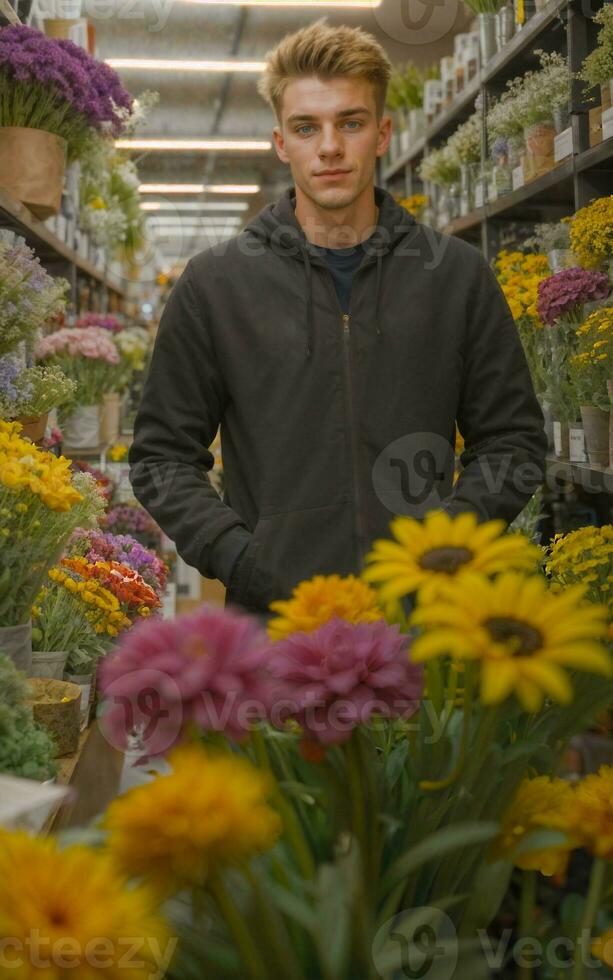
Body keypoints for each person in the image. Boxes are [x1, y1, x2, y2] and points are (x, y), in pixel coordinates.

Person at [129, 19, 547, 625]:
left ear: (381, 134)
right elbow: (162, 456)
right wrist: (241, 559)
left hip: (428, 623)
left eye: (349, 123)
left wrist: (450, 544)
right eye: (307, 127)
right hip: (277, 625)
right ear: (281, 143)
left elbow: (514, 440)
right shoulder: (216, 285)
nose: (329, 147)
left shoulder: (455, 276)